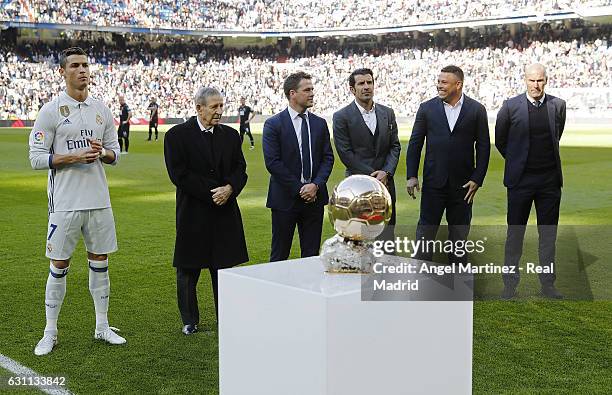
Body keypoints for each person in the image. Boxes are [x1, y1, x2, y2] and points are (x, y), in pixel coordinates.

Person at [28, 47, 125, 356]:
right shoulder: (51, 110)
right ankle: (50, 332)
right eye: (75, 65)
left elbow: (114, 153)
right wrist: (73, 156)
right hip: (65, 203)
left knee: (101, 263)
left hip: (99, 200)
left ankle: (102, 327)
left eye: (85, 65)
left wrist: (103, 153)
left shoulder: (102, 109)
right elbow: (36, 158)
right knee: (59, 265)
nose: (82, 70)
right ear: (63, 72)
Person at [164, 87, 248, 335]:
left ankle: (226, 315)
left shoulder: (231, 136)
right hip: (193, 211)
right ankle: (189, 320)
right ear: (198, 108)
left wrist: (230, 188)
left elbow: (240, 169)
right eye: (214, 107)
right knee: (188, 268)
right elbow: (179, 174)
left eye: (222, 106)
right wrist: (215, 193)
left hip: (225, 210)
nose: (220, 111)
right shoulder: (176, 136)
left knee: (222, 267)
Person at [495, 63, 566, 300]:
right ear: (525, 80)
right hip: (520, 182)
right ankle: (509, 285)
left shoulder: (558, 106)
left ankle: (548, 284)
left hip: (549, 182)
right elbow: (501, 141)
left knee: (548, 235)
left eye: (540, 81)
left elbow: (557, 134)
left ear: (546, 80)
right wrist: (517, 162)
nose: (536, 85)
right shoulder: (510, 107)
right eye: (532, 80)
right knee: (515, 234)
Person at [406, 65, 490, 263]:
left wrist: (477, 179)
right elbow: (415, 144)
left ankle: (458, 287)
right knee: (425, 235)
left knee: (459, 239)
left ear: (458, 84)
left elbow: (484, 147)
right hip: (434, 184)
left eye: (444, 82)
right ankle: (420, 282)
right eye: (439, 82)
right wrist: (412, 175)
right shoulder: (426, 108)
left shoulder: (477, 110)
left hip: (464, 187)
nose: (439, 86)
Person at [262, 71, 334, 262]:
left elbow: (328, 158)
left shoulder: (319, 123)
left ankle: (309, 292)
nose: (312, 93)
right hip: (285, 199)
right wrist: (300, 189)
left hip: (314, 199)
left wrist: (315, 185)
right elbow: (272, 162)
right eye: (307, 90)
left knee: (311, 256)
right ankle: (276, 292)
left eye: (312, 89)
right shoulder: (273, 124)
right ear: (292, 93)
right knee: (279, 255)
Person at [333, 68, 401, 240]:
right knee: (357, 236)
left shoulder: (388, 113)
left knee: (386, 235)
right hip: (357, 188)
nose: (366, 87)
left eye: (369, 82)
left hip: (385, 185)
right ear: (352, 89)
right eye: (361, 83)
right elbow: (345, 153)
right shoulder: (341, 116)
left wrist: (386, 172)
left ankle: (386, 267)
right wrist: (372, 177)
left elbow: (395, 146)